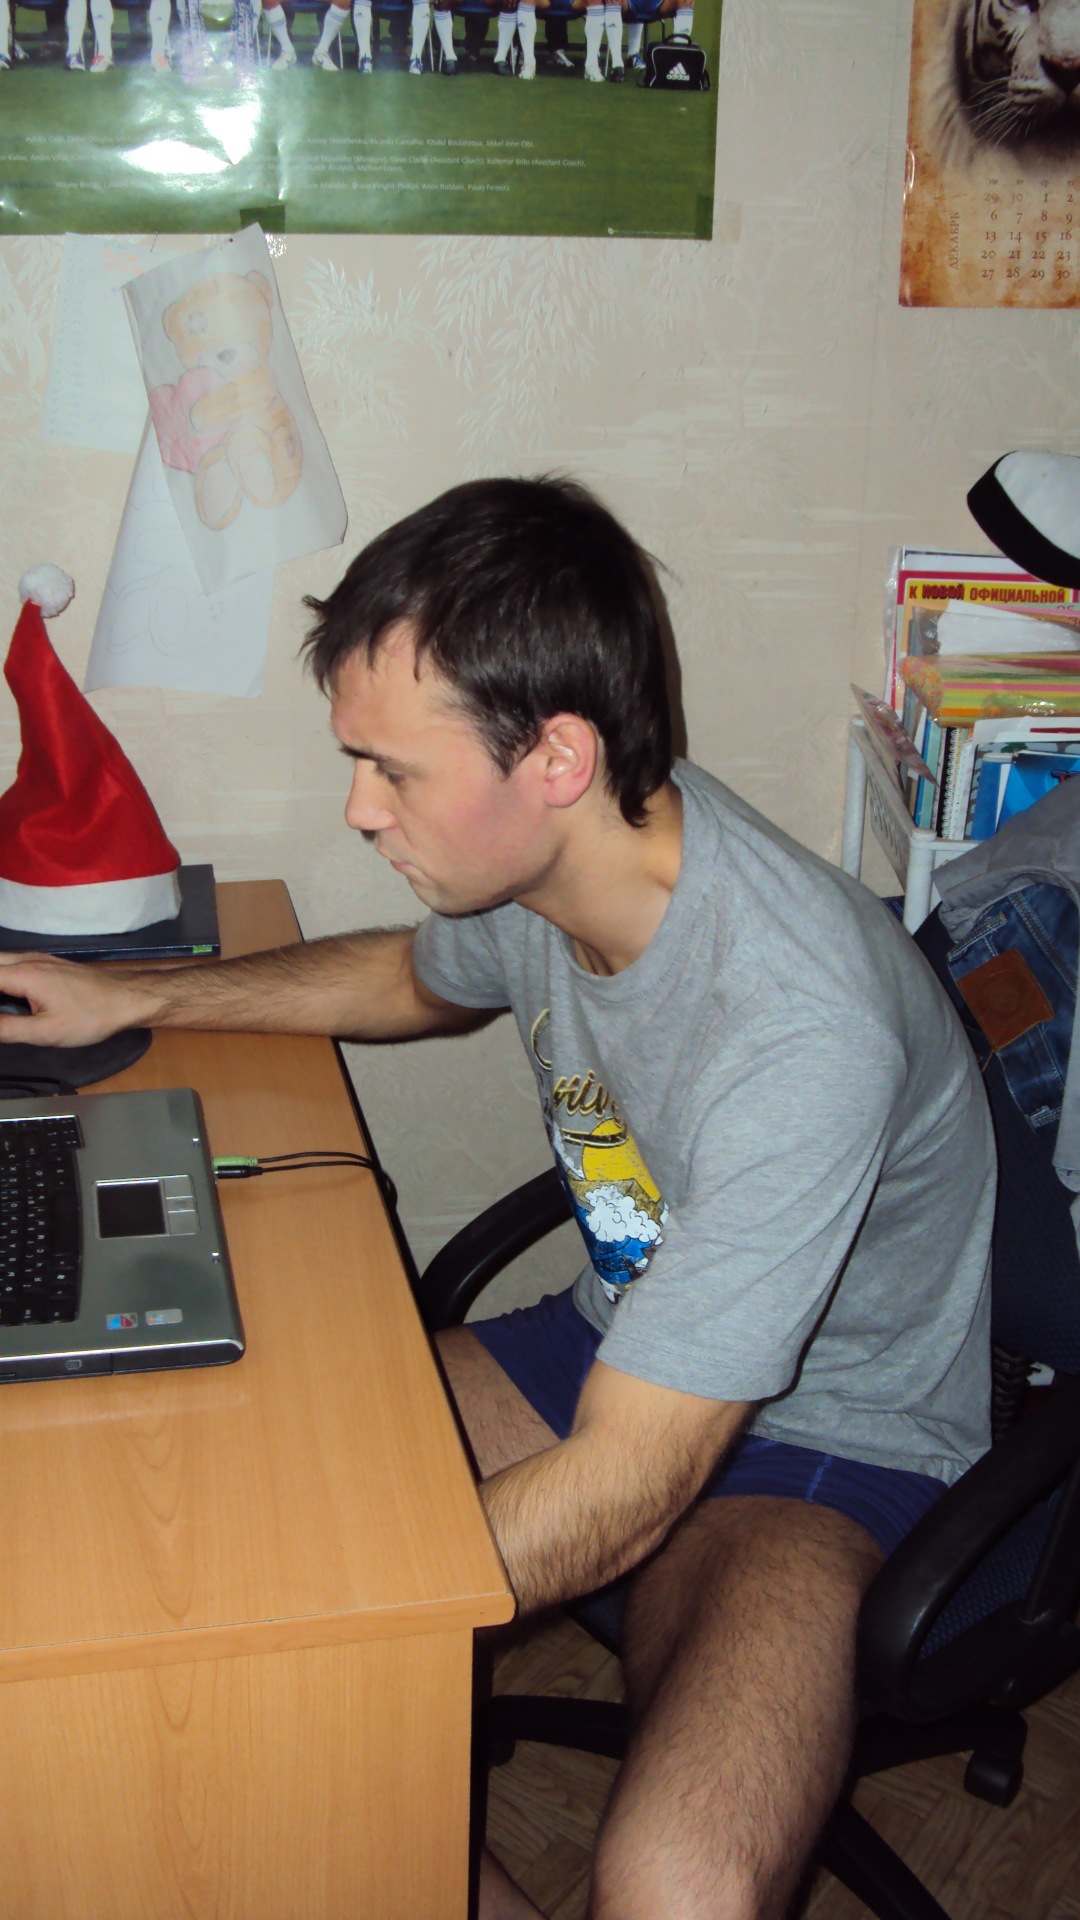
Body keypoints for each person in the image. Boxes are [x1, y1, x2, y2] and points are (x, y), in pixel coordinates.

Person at [0, 477, 995, 1920]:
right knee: (221, 1520)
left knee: (680, 1889)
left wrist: (321, 1632)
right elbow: (411, 979)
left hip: (833, 1429)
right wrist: (139, 992)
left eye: (392, 771)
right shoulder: (566, 864)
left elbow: (630, 1479)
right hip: (619, 1338)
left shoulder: (801, 1030)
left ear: (557, 757)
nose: (360, 810)